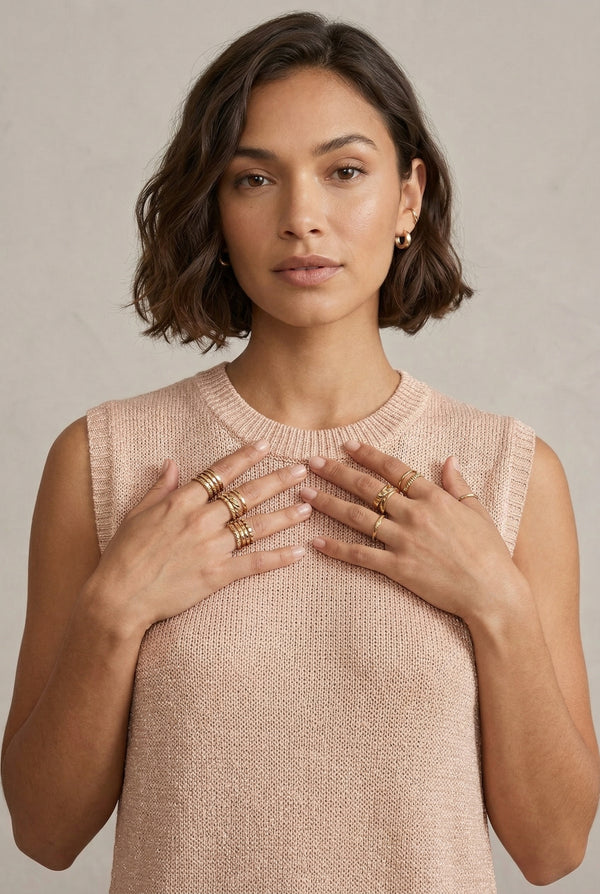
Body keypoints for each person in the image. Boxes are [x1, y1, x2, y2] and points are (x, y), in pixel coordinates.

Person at [2, 10, 598, 893]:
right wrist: (115, 610)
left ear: (409, 197)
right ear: (216, 205)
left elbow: (555, 851)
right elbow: (44, 834)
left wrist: (496, 605)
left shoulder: (510, 471)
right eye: (254, 180)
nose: (301, 218)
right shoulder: (107, 458)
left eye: (345, 172)